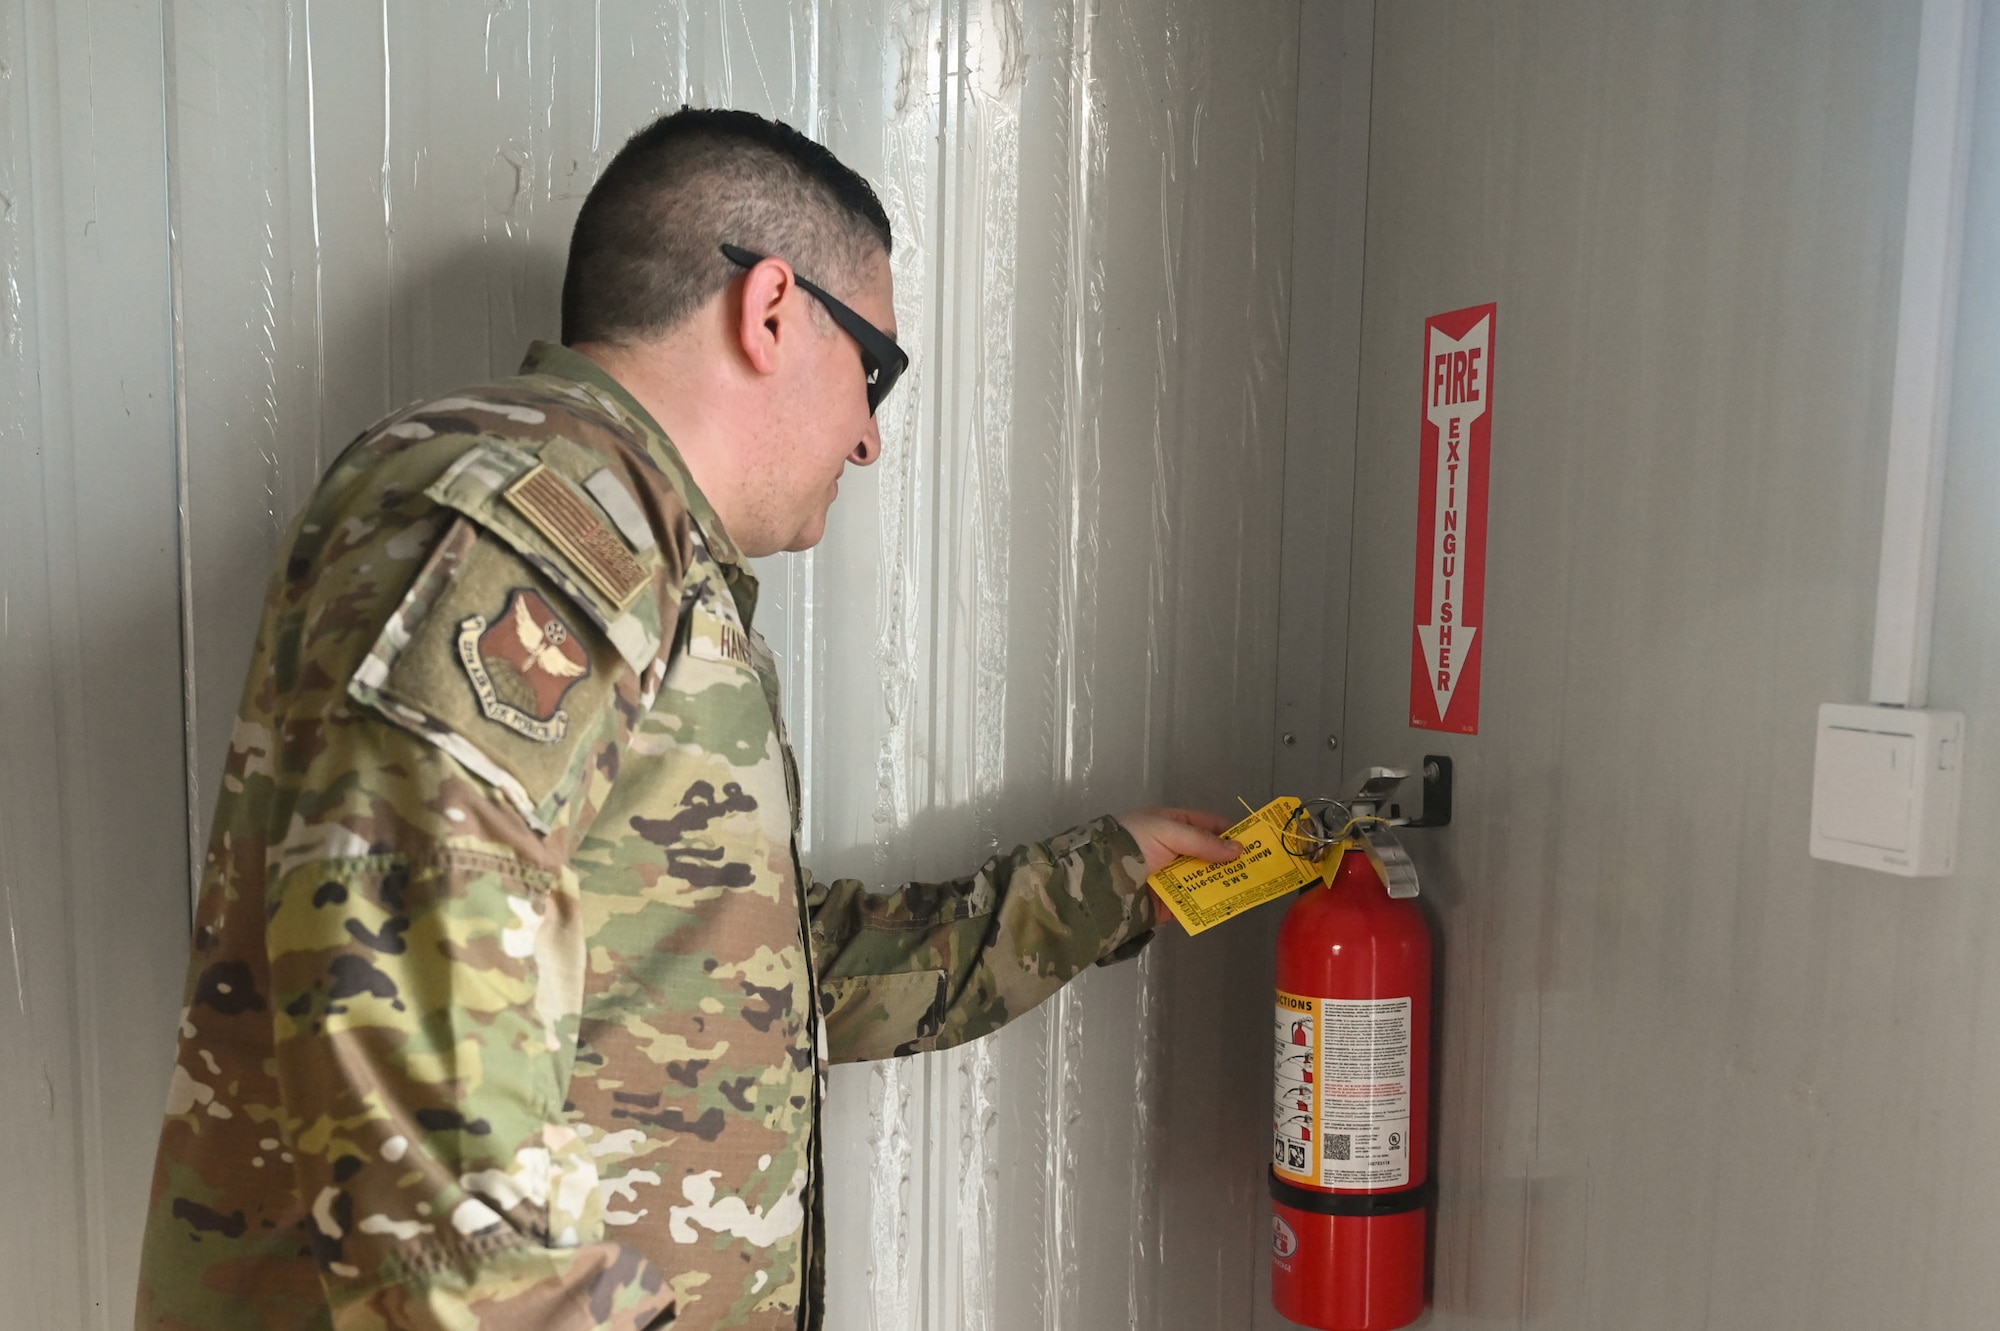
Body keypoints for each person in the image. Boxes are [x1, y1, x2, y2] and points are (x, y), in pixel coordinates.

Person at [133, 107, 1236, 1331]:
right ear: (770, 309)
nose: (869, 437)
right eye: (873, 371)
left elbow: (742, 979)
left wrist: (1098, 882)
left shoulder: (630, 547)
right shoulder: (538, 524)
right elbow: (402, 1033)